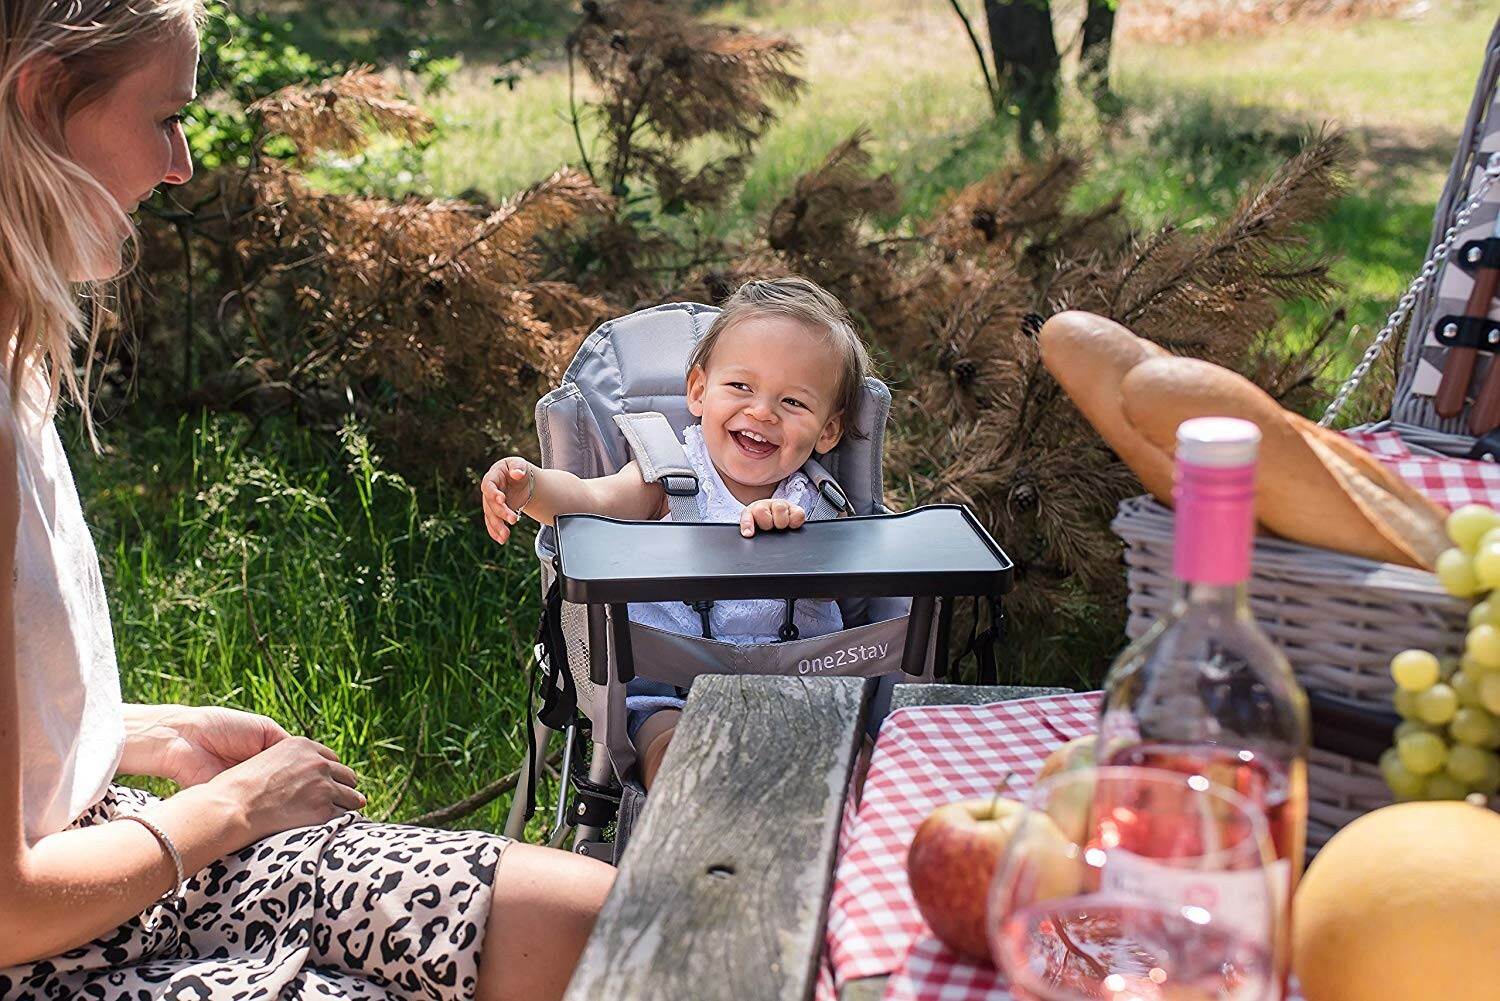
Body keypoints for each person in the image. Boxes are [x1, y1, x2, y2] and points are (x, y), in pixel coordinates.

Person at [0, 3, 614, 999]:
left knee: (592, 919)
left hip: (104, 862)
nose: (182, 163)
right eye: (164, 116)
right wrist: (239, 802)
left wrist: (147, 732)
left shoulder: (17, 362)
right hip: (42, 944)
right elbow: (9, 907)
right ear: (40, 100)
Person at [481, 276, 873, 787]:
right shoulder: (668, 476)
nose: (762, 412)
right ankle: (691, 835)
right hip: (672, 688)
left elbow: (859, 581)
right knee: (671, 751)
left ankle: (853, 848)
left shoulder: (820, 504)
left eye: (794, 403)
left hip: (802, 687)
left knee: (863, 754)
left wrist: (798, 540)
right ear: (697, 391)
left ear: (828, 431)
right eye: (740, 387)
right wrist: (529, 486)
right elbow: (590, 502)